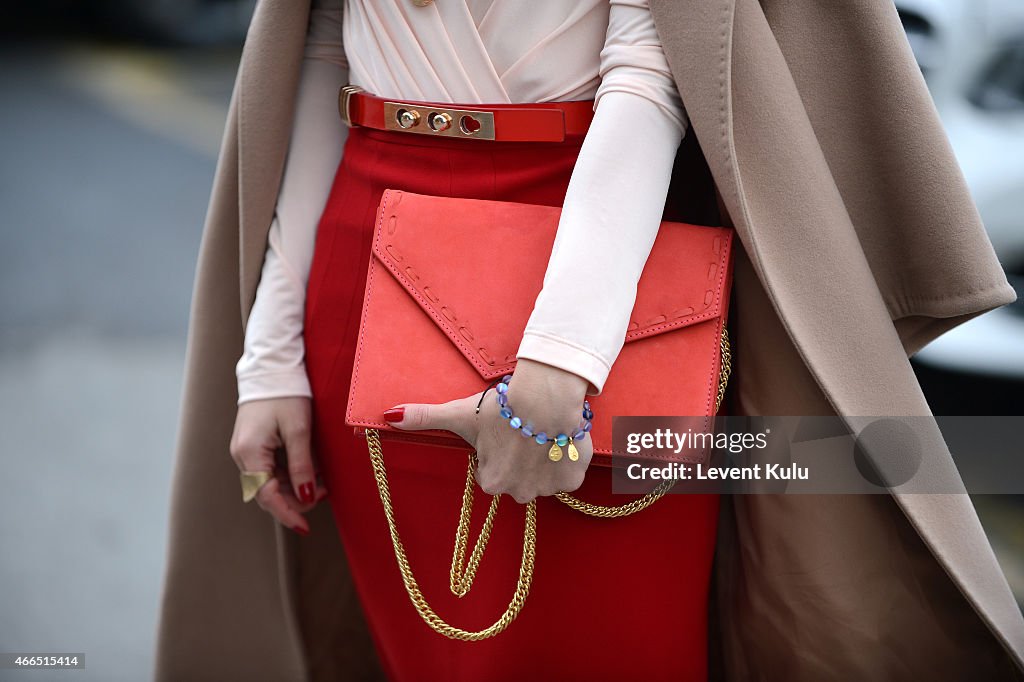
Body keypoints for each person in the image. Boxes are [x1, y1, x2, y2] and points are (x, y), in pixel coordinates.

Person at [155, 0, 1024, 679]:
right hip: (358, 263)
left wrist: (559, 365)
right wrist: (268, 356)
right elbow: (315, 50)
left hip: (599, 284)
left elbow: (652, 75)